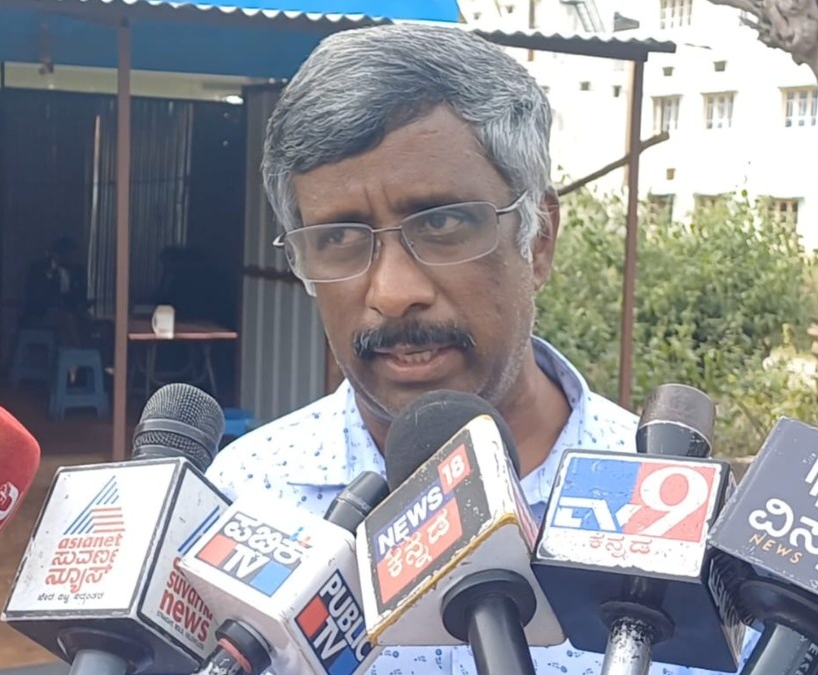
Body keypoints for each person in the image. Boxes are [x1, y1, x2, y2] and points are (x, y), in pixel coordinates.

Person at [205, 24, 759, 674]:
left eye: (441, 223)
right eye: (339, 239)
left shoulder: (685, 527)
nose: (393, 293)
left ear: (539, 239)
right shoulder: (241, 500)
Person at [21, 236, 89, 346]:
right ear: (56, 254)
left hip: (72, 312)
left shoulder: (78, 271)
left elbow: (81, 295)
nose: (71, 258)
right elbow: (34, 295)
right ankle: (78, 348)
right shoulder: (39, 269)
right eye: (68, 254)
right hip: (41, 314)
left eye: (73, 255)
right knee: (65, 319)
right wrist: (51, 276)